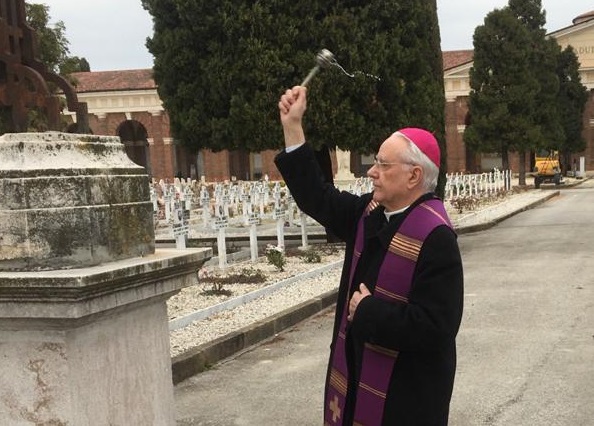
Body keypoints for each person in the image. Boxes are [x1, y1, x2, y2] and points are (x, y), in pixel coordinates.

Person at [275, 86, 463, 426]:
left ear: (414, 176)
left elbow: (437, 328)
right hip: (355, 382)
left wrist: (369, 312)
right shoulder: (368, 212)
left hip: (405, 400)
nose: (371, 171)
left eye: (382, 164)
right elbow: (317, 197)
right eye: (375, 161)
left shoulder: (436, 238)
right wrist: (293, 126)